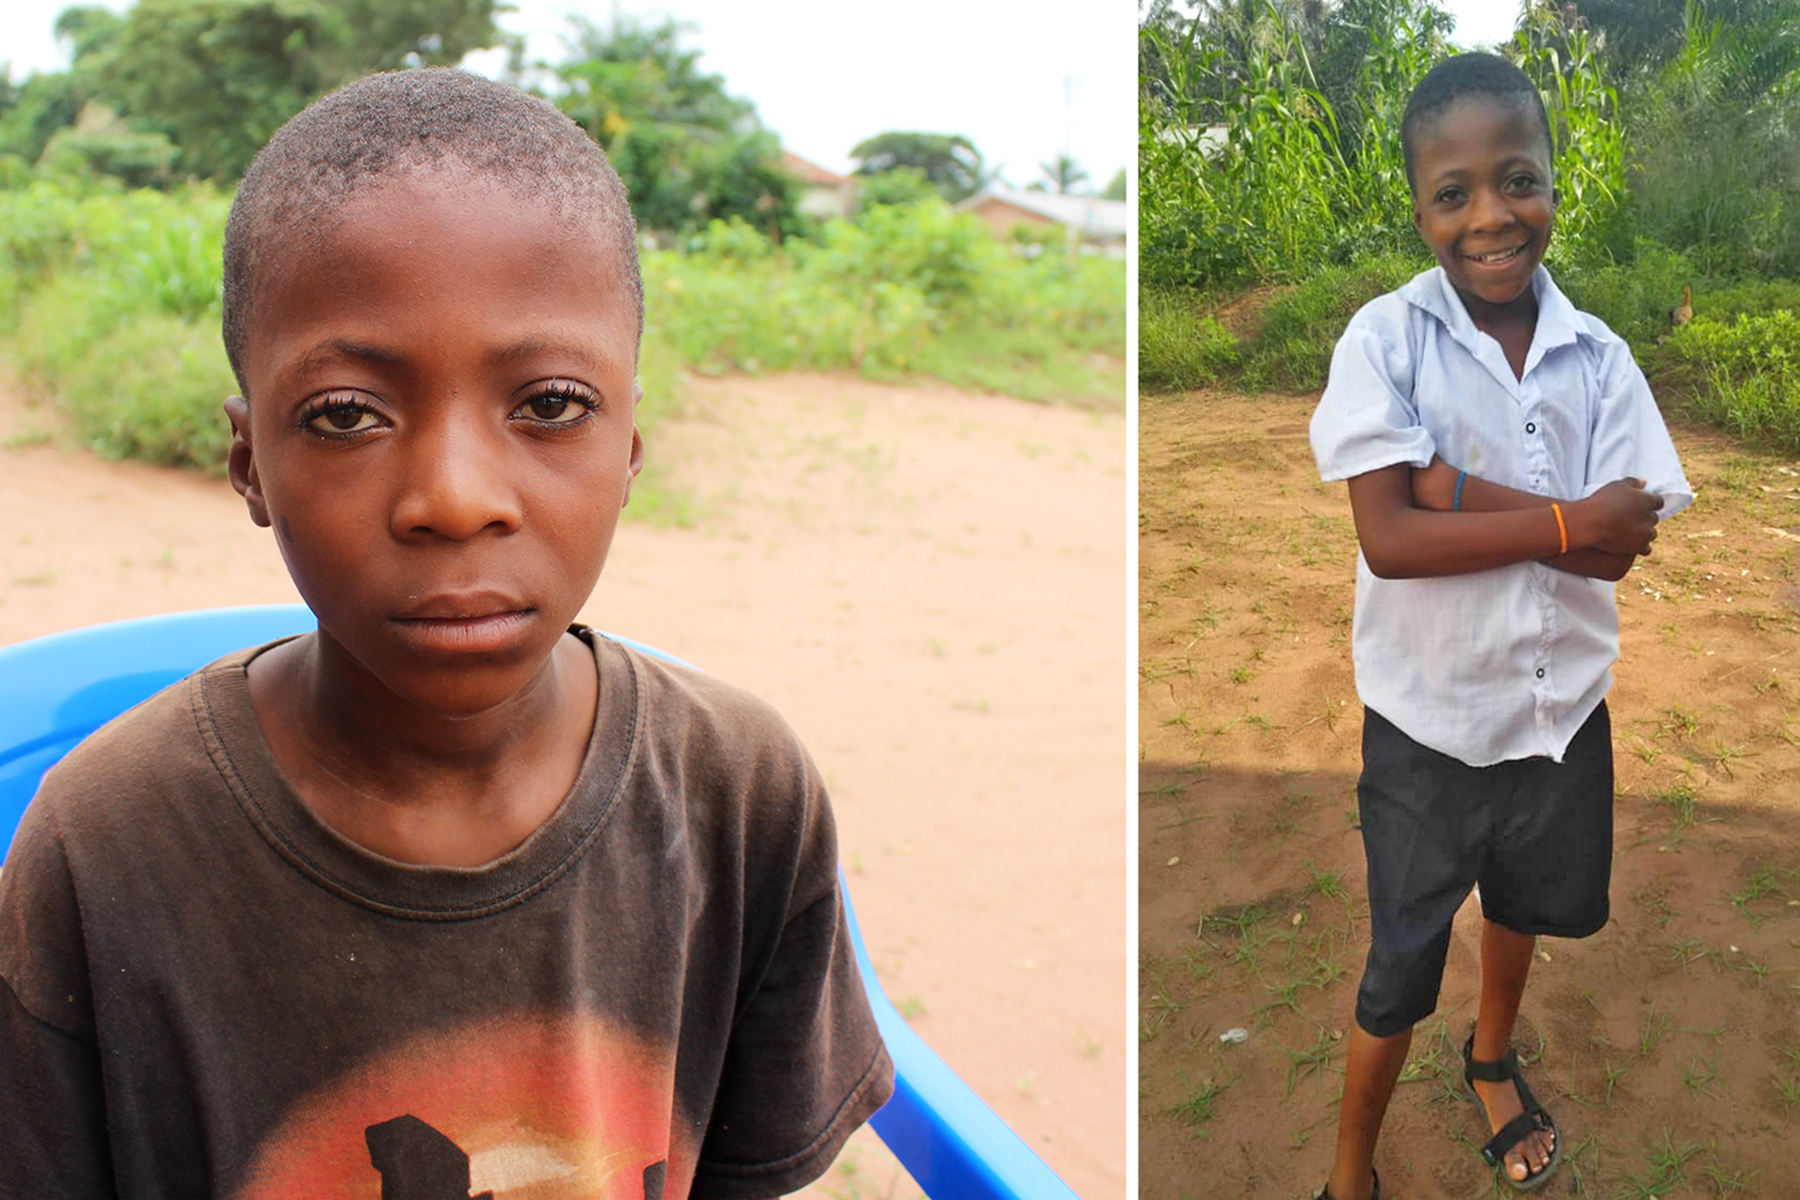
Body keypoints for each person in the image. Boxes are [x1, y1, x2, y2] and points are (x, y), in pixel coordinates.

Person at [0, 69, 892, 1198]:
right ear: (248, 464)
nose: (456, 497)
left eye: (551, 404)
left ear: (628, 448)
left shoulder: (741, 795)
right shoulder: (102, 851)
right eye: (345, 415)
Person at [1307, 53, 1690, 1199]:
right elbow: (1390, 540)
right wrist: (1569, 514)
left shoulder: (1603, 357)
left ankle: (1490, 1056)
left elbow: (1624, 542)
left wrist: (1455, 490)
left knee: (1521, 906)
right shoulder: (1386, 341)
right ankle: (1348, 1173)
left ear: (1555, 183)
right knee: (1396, 964)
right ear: (1420, 206)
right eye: (1453, 192)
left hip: (1559, 710)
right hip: (1428, 723)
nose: (1490, 217)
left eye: (1516, 179)